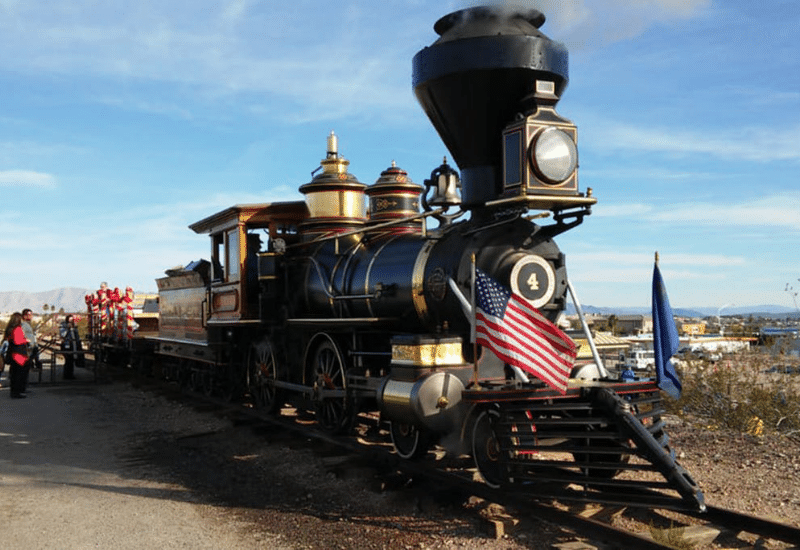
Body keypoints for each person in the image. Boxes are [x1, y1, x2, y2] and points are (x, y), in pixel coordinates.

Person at [4, 312, 30, 398]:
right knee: (19, 374)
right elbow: (18, 341)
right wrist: (26, 340)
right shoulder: (17, 328)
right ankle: (18, 392)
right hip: (19, 354)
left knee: (14, 374)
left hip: (12, 353)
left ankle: (14, 391)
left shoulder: (9, 328)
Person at [60, 314, 82, 380]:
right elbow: (62, 334)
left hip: (73, 344)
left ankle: (71, 374)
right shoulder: (63, 325)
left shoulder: (74, 326)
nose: (71, 321)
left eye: (72, 319)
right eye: (69, 319)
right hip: (67, 345)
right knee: (68, 360)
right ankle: (66, 375)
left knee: (72, 360)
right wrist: (67, 328)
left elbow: (77, 335)